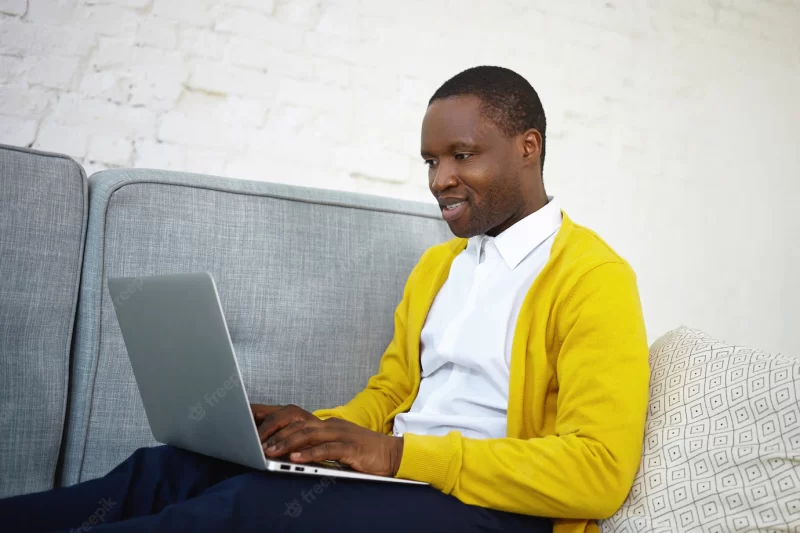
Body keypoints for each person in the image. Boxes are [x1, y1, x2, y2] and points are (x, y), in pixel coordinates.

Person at [0, 66, 649, 533]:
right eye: (429, 161)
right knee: (171, 467)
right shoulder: (439, 266)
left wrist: (396, 455)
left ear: (527, 147)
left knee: (247, 510)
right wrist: (311, 431)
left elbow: (599, 469)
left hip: (492, 507)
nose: (439, 180)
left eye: (460, 154)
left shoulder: (593, 276)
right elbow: (391, 392)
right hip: (402, 476)